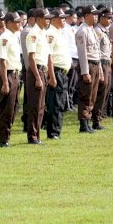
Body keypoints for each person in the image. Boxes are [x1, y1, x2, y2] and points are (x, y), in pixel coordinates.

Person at [25, 8, 55, 144]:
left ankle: (37, 134)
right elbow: (31, 57)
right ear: (38, 19)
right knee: (35, 105)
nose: (48, 20)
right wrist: (37, 77)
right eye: (46, 18)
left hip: (43, 70)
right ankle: (32, 136)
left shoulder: (43, 33)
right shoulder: (33, 33)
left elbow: (49, 57)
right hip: (35, 71)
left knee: (41, 105)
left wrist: (50, 75)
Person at [75, 6, 103, 133]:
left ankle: (88, 121)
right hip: (88, 65)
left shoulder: (91, 30)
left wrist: (100, 69)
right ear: (86, 16)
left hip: (96, 64)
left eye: (97, 15)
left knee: (93, 94)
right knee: (86, 95)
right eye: (94, 15)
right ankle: (83, 123)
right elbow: (82, 53)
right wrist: (85, 72)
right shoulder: (82, 31)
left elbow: (97, 51)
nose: (96, 17)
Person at [0, 12, 22, 147]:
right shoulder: (5, 37)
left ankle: (7, 136)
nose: (19, 24)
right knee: (7, 108)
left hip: (16, 74)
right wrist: (5, 81)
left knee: (14, 107)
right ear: (8, 23)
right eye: (16, 22)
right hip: (9, 74)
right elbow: (3, 61)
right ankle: (4, 139)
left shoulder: (13, 36)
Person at [45, 8, 71, 139]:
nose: (64, 20)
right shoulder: (51, 33)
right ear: (54, 19)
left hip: (63, 72)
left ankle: (57, 130)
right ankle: (53, 132)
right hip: (56, 71)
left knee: (60, 103)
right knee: (55, 103)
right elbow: (48, 56)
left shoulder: (59, 33)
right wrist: (52, 76)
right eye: (61, 18)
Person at [92, 9, 113, 130]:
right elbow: (96, 51)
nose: (110, 20)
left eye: (111, 18)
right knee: (100, 92)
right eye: (108, 18)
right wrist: (101, 68)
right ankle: (96, 120)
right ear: (101, 18)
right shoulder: (97, 31)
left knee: (105, 92)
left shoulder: (105, 31)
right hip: (101, 63)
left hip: (107, 63)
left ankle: (99, 117)